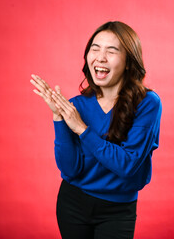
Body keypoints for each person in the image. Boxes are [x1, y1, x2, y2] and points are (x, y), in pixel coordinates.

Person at [30, 21, 162, 239]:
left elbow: (128, 165)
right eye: (95, 48)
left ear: (129, 61)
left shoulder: (148, 103)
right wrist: (59, 118)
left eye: (111, 51)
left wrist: (82, 129)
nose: (101, 57)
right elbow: (70, 170)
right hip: (72, 204)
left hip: (118, 210)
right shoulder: (75, 106)